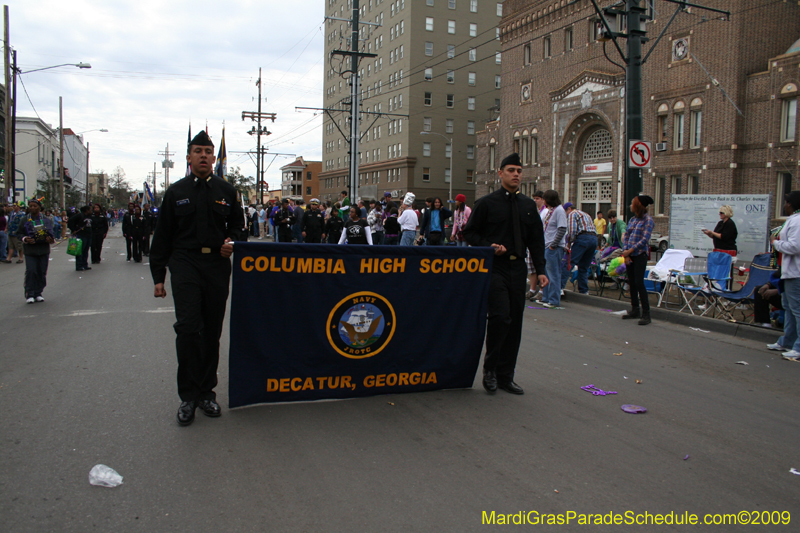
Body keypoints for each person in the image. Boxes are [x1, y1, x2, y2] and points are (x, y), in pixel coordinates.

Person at [150, 130, 245, 426]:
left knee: (212, 332)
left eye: (208, 151)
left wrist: (233, 240)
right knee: (189, 329)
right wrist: (158, 277)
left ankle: (207, 393)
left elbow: (240, 229)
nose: (203, 155)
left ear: (213, 157)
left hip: (216, 264)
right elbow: (162, 236)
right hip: (185, 263)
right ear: (189, 157)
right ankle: (188, 396)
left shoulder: (227, 192)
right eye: (198, 151)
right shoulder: (176, 193)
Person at [463, 153, 548, 395]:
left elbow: (536, 241)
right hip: (495, 267)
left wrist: (540, 271)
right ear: (500, 173)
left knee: (515, 323)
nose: (516, 174)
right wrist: (489, 245)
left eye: (519, 171)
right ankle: (490, 370)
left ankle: (506, 375)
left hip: (517, 267)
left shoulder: (528, 206)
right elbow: (470, 233)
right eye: (511, 170)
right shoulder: (487, 203)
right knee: (500, 317)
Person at [768, 191, 800, 360]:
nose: (784, 205)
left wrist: (775, 243)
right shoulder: (793, 220)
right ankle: (787, 341)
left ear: (791, 204)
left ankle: (798, 346)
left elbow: (795, 246)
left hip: (796, 273)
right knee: (788, 308)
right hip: (788, 272)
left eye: (786, 202)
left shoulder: (798, 221)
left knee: (797, 310)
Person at [621, 195, 656, 325]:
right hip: (629, 255)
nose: (630, 205)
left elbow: (644, 240)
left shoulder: (648, 220)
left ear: (638, 205)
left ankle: (646, 313)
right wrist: (626, 253)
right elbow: (626, 236)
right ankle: (635, 309)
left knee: (639, 282)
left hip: (640, 255)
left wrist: (630, 250)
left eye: (632, 203)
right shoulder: (633, 219)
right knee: (632, 282)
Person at [17, 199, 55, 303]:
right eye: (30, 206)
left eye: (34, 206)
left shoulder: (46, 219)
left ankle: (38, 292)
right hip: (30, 251)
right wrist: (25, 238)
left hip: (43, 250)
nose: (32, 208)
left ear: (39, 207)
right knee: (31, 271)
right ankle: (30, 293)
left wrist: (50, 239)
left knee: (41, 271)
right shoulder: (24, 220)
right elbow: (19, 233)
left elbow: (51, 233)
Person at [539, 190, 567, 308]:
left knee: (553, 274)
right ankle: (546, 297)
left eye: (544, 199)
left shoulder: (559, 211)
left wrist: (553, 245)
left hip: (553, 248)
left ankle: (554, 300)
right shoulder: (551, 211)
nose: (543, 201)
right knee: (546, 273)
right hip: (546, 245)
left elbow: (562, 228)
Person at [563, 203, 598, 295]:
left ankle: (559, 287)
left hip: (583, 238)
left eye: (565, 212)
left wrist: (569, 243)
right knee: (584, 266)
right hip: (594, 239)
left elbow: (572, 231)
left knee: (569, 264)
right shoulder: (586, 214)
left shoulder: (572, 214)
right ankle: (584, 291)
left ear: (569, 209)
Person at [68, 206, 93, 271]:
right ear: (86, 210)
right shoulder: (80, 215)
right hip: (81, 235)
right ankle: (79, 265)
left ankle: (85, 264)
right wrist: (73, 229)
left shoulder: (90, 216)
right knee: (80, 251)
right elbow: (70, 221)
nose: (91, 211)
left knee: (86, 251)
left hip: (88, 235)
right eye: (90, 209)